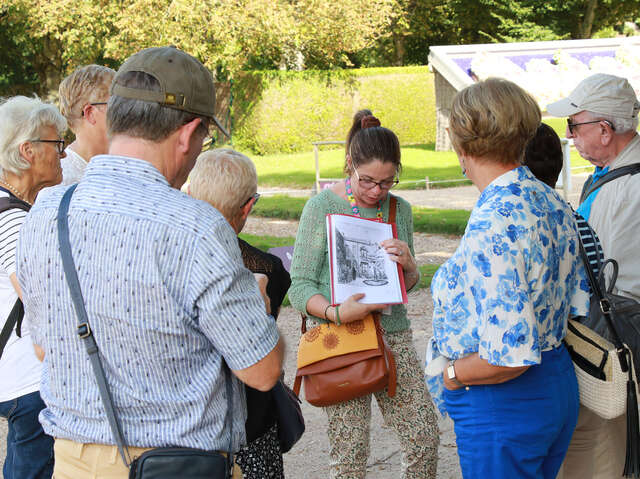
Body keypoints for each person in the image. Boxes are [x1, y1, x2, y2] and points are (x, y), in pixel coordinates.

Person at [16, 46, 283, 479]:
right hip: (178, 465)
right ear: (187, 133)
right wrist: (254, 300)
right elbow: (262, 371)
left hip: (73, 463)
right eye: (203, 140)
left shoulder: (48, 210)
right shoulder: (196, 226)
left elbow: (45, 347)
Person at [425, 78, 590, 479]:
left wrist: (450, 375)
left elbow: (508, 355)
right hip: (553, 383)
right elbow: (577, 304)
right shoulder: (548, 197)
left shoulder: (495, 219)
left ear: (462, 147)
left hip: (504, 398)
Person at [288, 109, 440, 479]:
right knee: (350, 453)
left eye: (387, 182)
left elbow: (407, 285)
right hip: (340, 340)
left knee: (424, 437)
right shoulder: (322, 206)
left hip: (393, 337)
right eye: (367, 180)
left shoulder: (398, 208)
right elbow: (300, 285)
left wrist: (410, 267)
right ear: (349, 166)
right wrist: (338, 313)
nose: (376, 191)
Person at [547, 73, 640, 478]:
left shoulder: (627, 189)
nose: (569, 136)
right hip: (616, 335)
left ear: (605, 130)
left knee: (605, 452)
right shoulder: (614, 176)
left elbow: (606, 281)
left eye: (574, 125)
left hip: (616, 341)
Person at [189, 148, 291, 479]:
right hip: (250, 423)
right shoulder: (271, 270)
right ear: (248, 206)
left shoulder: (167, 257)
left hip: (191, 426)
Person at [0, 95, 67, 478]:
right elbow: (38, 298)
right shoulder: (14, 221)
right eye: (55, 143)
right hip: (27, 380)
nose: (62, 152)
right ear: (27, 151)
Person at [58, 64, 115, 184]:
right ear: (90, 113)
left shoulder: (125, 164)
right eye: (117, 104)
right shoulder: (62, 180)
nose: (128, 112)